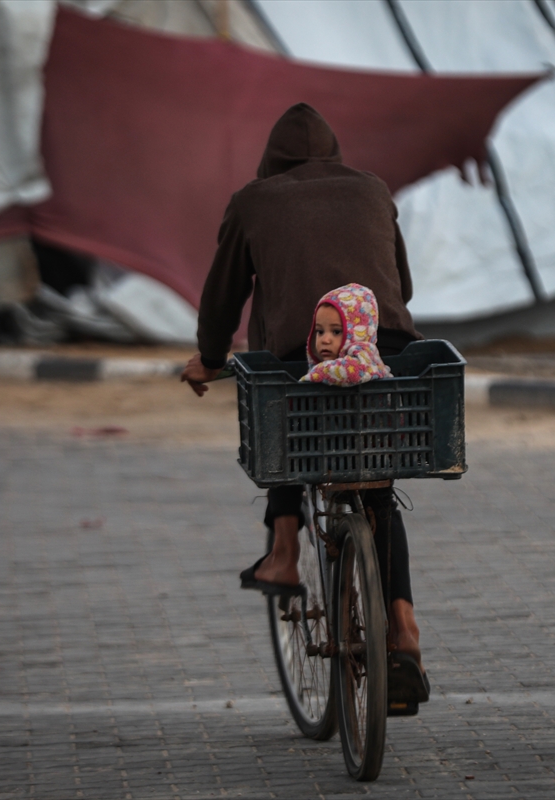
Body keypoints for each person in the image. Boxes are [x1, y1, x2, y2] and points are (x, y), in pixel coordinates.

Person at [180, 103, 428, 700]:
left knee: (283, 396)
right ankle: (404, 629)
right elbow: (405, 284)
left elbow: (223, 297)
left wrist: (210, 358)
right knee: (376, 490)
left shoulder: (254, 200)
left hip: (303, 361)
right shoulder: (372, 188)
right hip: (384, 352)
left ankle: (285, 548)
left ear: (272, 159)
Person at [299, 284, 392, 386]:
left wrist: (312, 376)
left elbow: (353, 372)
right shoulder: (321, 367)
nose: (325, 340)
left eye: (336, 332)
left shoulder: (365, 356)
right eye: (320, 331)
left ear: (356, 333)